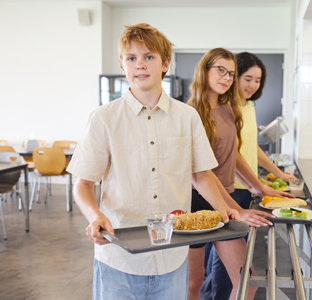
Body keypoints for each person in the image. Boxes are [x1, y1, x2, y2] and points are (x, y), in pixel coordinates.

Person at [67, 24, 240, 300]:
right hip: (118, 257)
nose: (140, 65)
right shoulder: (103, 118)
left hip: (171, 257)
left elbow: (201, 175)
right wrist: (95, 215)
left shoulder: (187, 117)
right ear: (123, 66)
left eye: (149, 57)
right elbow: (83, 183)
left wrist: (224, 209)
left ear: (165, 64)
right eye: (131, 58)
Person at [186, 48, 292, 300]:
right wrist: (236, 208)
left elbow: (235, 155)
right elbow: (201, 173)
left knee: (247, 279)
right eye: (220, 70)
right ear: (205, 71)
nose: (226, 78)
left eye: (231, 73)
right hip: (195, 202)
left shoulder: (228, 108)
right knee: (195, 281)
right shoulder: (191, 113)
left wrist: (259, 187)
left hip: (225, 198)